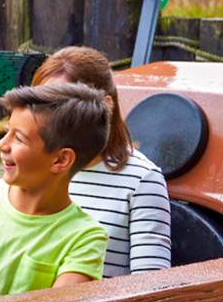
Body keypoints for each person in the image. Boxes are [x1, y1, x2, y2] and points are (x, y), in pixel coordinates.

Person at [34, 46, 172, 276]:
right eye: (38, 105)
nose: (45, 118)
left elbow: (151, 285)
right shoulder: (32, 167)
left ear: (105, 107)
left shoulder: (142, 180)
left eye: (59, 106)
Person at [0, 83, 110, 300]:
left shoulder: (84, 238)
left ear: (61, 160)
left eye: (18, 138)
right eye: (6, 132)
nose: (1, 145)